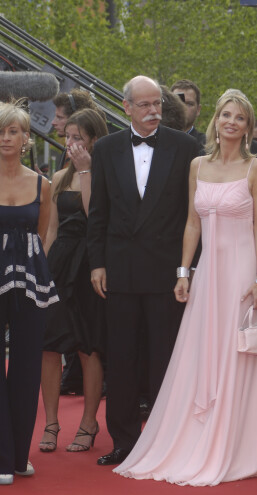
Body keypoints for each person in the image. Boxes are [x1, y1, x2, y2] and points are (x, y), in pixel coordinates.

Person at [114, 89, 257, 485]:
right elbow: (192, 223)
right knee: (200, 351)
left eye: (239, 117)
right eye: (225, 115)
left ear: (247, 126)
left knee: (234, 356)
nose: (231, 122)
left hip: (240, 271)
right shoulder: (197, 165)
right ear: (214, 121)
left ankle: (233, 444)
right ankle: (196, 434)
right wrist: (183, 272)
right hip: (207, 273)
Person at [87, 75, 199, 467]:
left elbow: (193, 214)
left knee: (165, 358)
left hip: (167, 272)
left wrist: (187, 268)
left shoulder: (186, 147)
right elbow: (98, 211)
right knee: (120, 357)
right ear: (127, 108)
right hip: (119, 270)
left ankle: (167, 439)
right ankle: (123, 441)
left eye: (158, 105)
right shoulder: (105, 148)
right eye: (146, 105)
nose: (154, 111)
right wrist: (97, 262)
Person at [0, 101, 58, 485]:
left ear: (25, 139)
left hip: (31, 283)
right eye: (1, 131)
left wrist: (24, 265)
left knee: (25, 367)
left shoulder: (43, 185)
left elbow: (41, 233)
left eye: (15, 132)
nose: (7, 138)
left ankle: (19, 454)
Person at [39, 109, 108, 453]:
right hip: (59, 264)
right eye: (68, 137)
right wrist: (41, 268)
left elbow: (95, 215)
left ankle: (89, 421)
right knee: (49, 346)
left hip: (90, 266)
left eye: (78, 137)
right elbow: (50, 229)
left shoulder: (103, 173)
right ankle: (51, 423)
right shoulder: (59, 177)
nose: (70, 143)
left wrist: (85, 170)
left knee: (87, 346)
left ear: (94, 139)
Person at [171, 79, 206, 147]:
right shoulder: (156, 139)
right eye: (179, 103)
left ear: (198, 110)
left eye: (189, 104)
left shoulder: (207, 145)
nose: (183, 108)